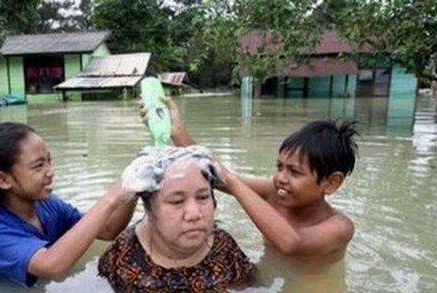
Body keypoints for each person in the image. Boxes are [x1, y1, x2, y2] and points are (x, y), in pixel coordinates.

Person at [141, 98, 358, 263]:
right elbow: (218, 179)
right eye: (279, 167)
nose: (281, 178)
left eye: (295, 172)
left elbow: (292, 243)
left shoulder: (339, 226)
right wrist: (176, 132)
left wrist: (234, 182)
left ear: (332, 183)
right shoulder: (273, 191)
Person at [0, 122, 137, 287]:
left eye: (49, 161)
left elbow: (107, 230)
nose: (51, 172)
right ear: (3, 180)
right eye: (39, 166)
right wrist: (109, 200)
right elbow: (52, 266)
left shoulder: (48, 204)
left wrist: (135, 184)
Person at [98, 146, 254, 293]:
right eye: (177, 201)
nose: (194, 214)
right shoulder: (123, 258)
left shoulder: (225, 250)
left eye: (203, 197)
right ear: (149, 209)